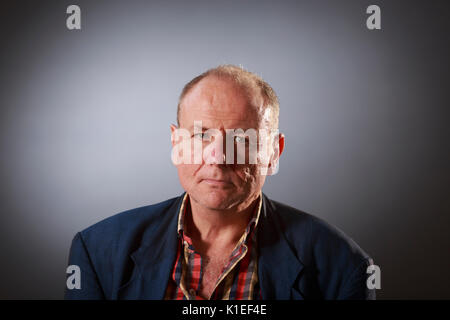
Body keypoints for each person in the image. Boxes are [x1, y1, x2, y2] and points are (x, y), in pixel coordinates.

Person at [65, 64, 376, 300]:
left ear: (273, 152)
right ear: (176, 143)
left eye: (241, 138)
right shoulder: (97, 252)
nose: (217, 157)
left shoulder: (343, 266)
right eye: (202, 135)